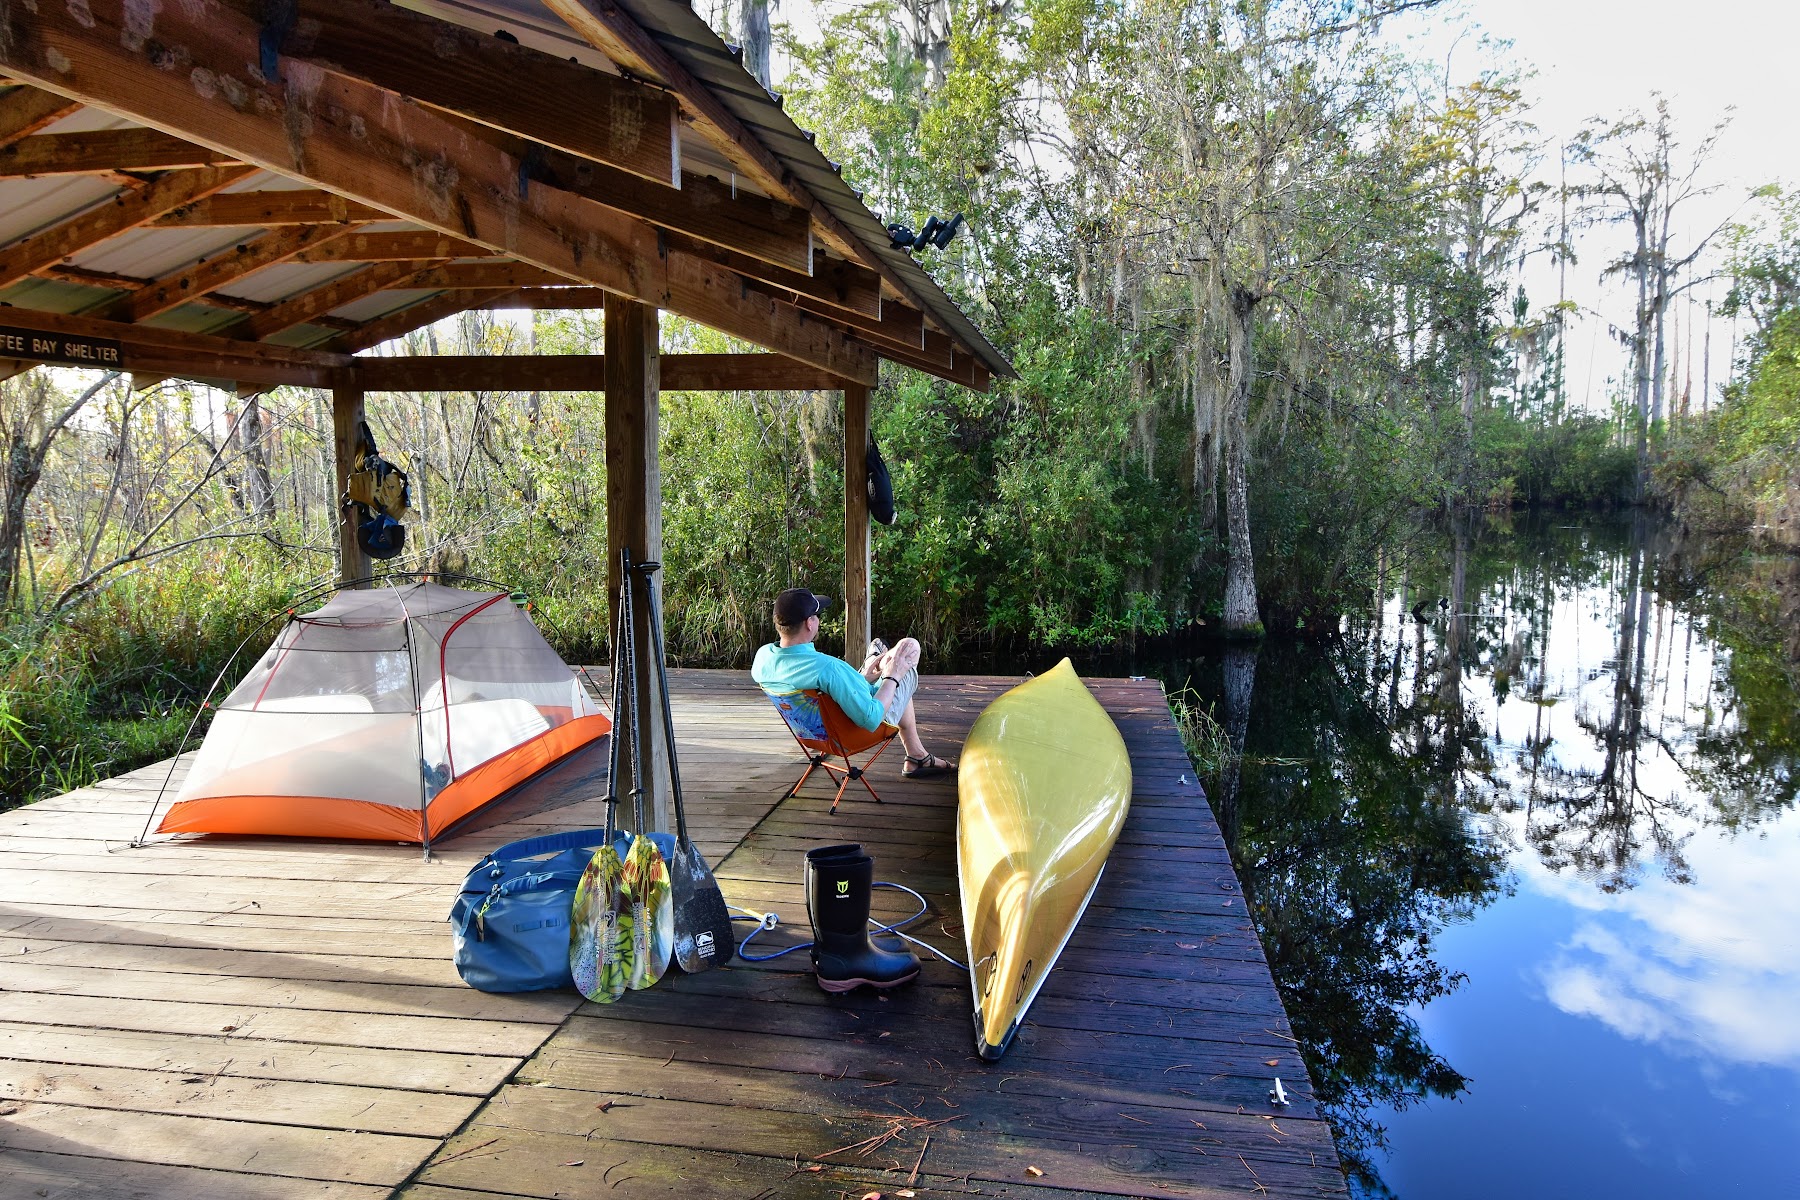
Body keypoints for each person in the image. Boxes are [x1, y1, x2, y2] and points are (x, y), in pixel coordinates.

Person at [751, 588, 956, 777]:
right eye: (817, 615)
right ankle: (917, 755)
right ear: (809, 623)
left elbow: (833, 685)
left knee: (881, 655)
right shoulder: (828, 668)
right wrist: (892, 675)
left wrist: (864, 678)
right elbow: (871, 718)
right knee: (909, 647)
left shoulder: (762, 658)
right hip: (854, 734)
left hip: (813, 736)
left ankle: (916, 754)